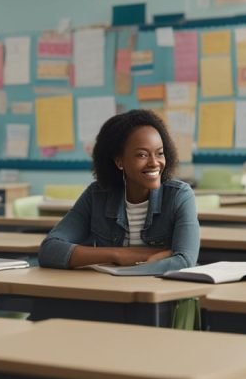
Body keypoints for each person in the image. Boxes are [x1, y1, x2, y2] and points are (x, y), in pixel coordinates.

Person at [39, 109, 200, 274]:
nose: (154, 163)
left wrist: (123, 271)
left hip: (161, 292)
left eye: (159, 153)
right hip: (111, 292)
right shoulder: (97, 196)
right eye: (142, 155)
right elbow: (49, 250)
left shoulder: (179, 196)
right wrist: (119, 255)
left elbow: (185, 261)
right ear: (119, 161)